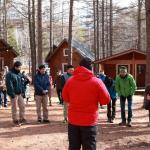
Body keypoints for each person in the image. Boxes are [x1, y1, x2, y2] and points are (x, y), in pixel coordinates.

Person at [62, 57, 110, 150]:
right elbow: (106, 100)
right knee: (89, 147)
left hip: (73, 120)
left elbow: (65, 97)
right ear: (90, 68)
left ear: (79, 67)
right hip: (89, 121)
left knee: (73, 147)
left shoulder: (70, 81)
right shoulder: (97, 81)